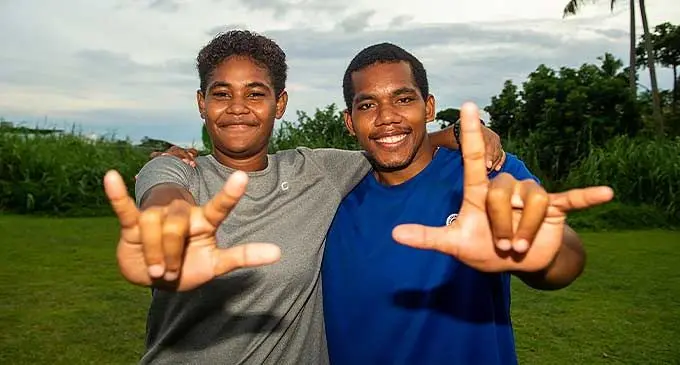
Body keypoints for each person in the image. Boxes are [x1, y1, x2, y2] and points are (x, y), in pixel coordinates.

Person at [103, 30, 505, 364]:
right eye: (222, 94)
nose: (238, 108)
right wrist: (171, 222)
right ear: (201, 104)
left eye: (256, 94)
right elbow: (163, 194)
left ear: (280, 104)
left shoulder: (317, 173)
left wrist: (458, 133)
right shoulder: (179, 170)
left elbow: (389, 141)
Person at [321, 43, 613, 364]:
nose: (387, 117)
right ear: (349, 122)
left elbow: (565, 260)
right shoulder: (332, 193)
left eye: (404, 99)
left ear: (428, 107)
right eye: (367, 106)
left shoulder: (484, 172)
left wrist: (541, 249)